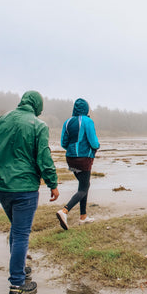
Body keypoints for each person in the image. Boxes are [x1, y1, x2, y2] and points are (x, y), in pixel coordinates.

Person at [0, 91, 59, 294]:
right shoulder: (38, 126)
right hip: (25, 188)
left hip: (2, 188)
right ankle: (18, 284)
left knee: (16, 229)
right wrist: (52, 183)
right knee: (21, 233)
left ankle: (19, 269)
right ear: (38, 106)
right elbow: (44, 158)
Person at [56, 98, 100, 230]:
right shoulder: (87, 121)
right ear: (86, 108)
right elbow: (93, 142)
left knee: (84, 185)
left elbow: (64, 143)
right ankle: (64, 211)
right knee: (83, 188)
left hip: (71, 159)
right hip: (84, 159)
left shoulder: (67, 122)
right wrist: (97, 146)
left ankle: (83, 216)